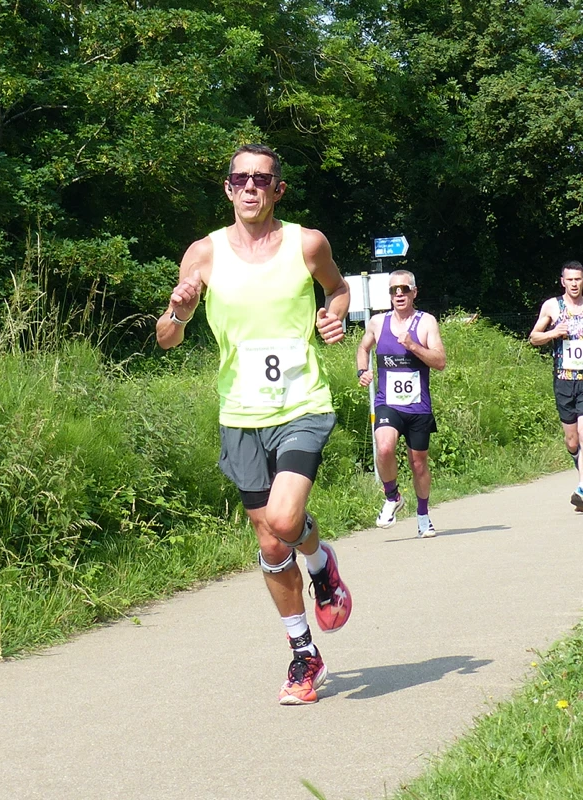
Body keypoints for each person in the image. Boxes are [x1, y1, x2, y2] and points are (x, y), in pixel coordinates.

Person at [156, 143, 352, 705]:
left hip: (301, 405)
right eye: (240, 178)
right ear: (227, 188)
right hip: (240, 415)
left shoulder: (307, 243)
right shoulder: (204, 254)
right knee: (269, 541)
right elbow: (166, 338)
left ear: (278, 190)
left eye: (261, 180)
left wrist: (333, 317)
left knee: (285, 519)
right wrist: (180, 312)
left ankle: (319, 561)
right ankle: (304, 652)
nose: (250, 187)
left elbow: (338, 290)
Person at [356, 270, 446, 536]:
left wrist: (413, 346)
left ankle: (423, 515)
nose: (399, 294)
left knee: (418, 463)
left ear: (414, 292)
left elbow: (440, 362)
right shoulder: (377, 322)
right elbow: (363, 348)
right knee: (384, 448)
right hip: (388, 403)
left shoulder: (426, 322)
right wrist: (362, 371)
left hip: (418, 406)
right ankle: (392, 496)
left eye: (404, 289)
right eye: (394, 290)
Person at [529, 260, 583, 509]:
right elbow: (534, 337)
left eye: (578, 279)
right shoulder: (552, 306)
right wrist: (554, 332)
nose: (574, 284)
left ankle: (582, 488)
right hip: (563, 380)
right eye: (570, 279)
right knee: (572, 441)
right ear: (563, 281)